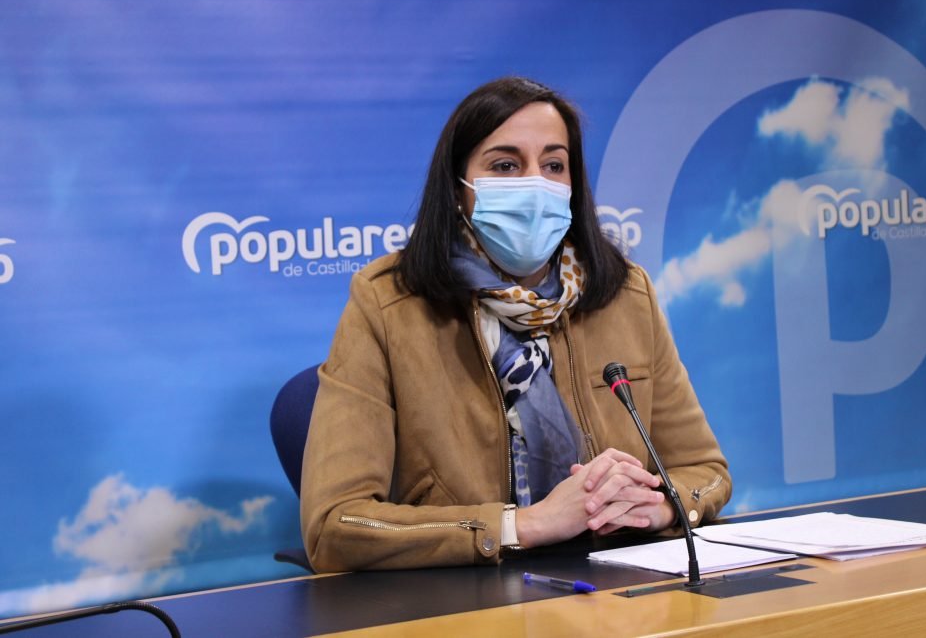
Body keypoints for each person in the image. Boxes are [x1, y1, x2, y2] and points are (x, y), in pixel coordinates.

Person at [300, 76, 730, 572]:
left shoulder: (625, 293)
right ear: (459, 187)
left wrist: (658, 506)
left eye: (553, 165)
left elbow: (707, 473)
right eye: (505, 165)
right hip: (464, 596)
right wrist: (523, 525)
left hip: (619, 587)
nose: (534, 184)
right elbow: (335, 524)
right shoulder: (387, 303)